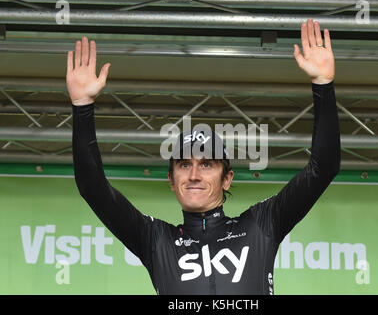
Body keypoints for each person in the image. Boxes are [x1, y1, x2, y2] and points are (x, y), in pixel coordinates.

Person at [68, 18, 341, 295]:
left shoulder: (261, 224)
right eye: (184, 164)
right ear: (172, 180)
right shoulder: (155, 239)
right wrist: (82, 106)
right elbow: (93, 188)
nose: (194, 174)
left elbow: (324, 168)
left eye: (207, 164)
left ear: (227, 179)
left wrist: (323, 84)